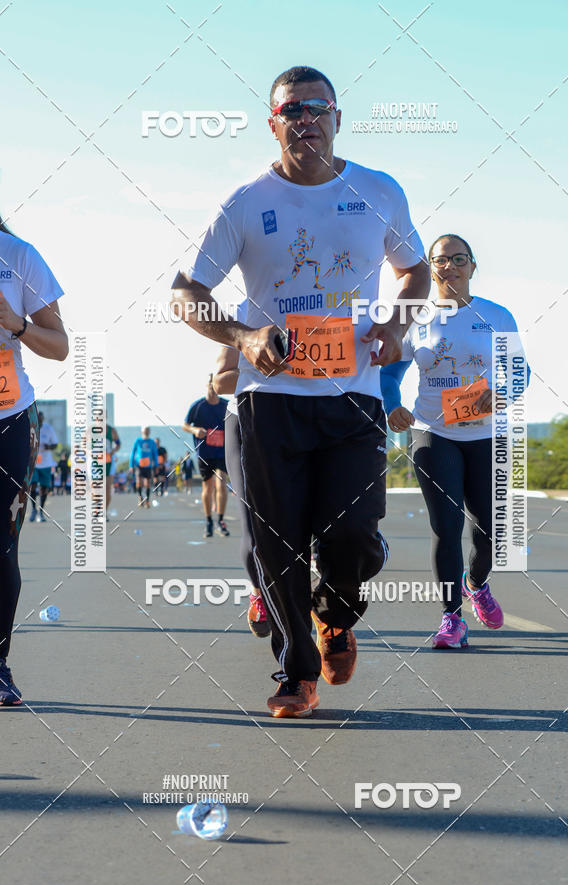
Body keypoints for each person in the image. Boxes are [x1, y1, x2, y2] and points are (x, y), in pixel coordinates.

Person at [171, 65, 429, 718]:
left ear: (338, 118)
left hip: (353, 397)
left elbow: (415, 271)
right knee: (275, 542)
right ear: (273, 123)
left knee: (355, 539)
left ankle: (336, 616)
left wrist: (397, 326)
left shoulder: (377, 191)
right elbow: (185, 294)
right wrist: (243, 336)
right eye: (292, 111)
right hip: (267, 401)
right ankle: (297, 672)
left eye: (318, 108)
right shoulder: (243, 202)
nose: (305, 120)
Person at [388, 233, 529, 649]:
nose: (449, 266)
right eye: (440, 259)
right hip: (433, 432)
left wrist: (502, 391)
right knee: (445, 528)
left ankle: (477, 584)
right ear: (430, 267)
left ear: (472, 265)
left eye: (458, 258)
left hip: (487, 433)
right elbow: (388, 374)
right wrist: (392, 404)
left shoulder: (496, 316)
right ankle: (451, 618)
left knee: (491, 531)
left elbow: (519, 371)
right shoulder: (414, 318)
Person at [0, 213, 68, 704]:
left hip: (7, 420)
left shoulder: (19, 256)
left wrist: (16, 325)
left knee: (2, 548)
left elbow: (60, 345)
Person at [214, 305, 270, 638]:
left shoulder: (316, 298)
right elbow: (221, 380)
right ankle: (260, 592)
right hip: (247, 419)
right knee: (253, 522)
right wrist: (274, 369)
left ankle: (300, 596)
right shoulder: (242, 311)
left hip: (304, 419)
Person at [183, 377, 230, 539]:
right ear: (207, 386)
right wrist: (195, 431)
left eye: (215, 385)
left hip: (222, 452)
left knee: (222, 483)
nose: (213, 388)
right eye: (210, 385)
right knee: (208, 487)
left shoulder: (226, 405)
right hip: (204, 452)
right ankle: (209, 520)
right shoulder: (198, 406)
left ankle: (221, 520)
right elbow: (185, 425)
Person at [29, 410, 58, 522]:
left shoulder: (48, 429)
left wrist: (49, 447)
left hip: (46, 463)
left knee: (44, 488)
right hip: (33, 462)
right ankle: (33, 509)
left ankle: (41, 511)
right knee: (33, 484)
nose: (39, 421)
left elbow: (55, 444)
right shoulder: (30, 427)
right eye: (38, 419)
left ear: (43, 419)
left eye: (41, 419)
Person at [129, 426, 158, 508]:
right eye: (145, 431)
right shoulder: (138, 441)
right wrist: (131, 465)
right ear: (142, 432)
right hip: (139, 465)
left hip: (148, 466)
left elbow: (155, 454)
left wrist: (156, 465)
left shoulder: (152, 442)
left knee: (147, 484)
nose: (146, 432)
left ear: (149, 432)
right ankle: (140, 497)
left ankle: (147, 500)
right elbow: (133, 453)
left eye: (147, 431)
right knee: (139, 482)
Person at [105, 424, 121, 514]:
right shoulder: (90, 430)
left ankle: (104, 511)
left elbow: (118, 444)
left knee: (107, 488)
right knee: (95, 489)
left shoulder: (112, 431)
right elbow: (83, 445)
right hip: (94, 462)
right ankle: (97, 508)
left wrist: (113, 451)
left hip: (108, 460)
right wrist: (90, 452)